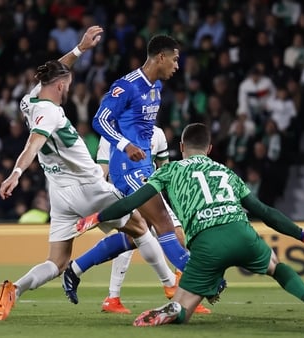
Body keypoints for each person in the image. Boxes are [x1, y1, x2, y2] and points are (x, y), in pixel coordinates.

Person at [76, 123, 304, 326]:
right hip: (241, 232)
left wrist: (97, 217)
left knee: (184, 305)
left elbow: (131, 203)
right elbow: (264, 211)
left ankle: (173, 310)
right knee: (275, 265)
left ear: (181, 148)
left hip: (206, 244)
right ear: (210, 149)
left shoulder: (170, 170)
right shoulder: (225, 171)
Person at [0, 26, 176, 321]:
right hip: (88, 187)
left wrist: (80, 49)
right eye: (68, 83)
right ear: (61, 86)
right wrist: (15, 173)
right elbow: (32, 143)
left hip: (60, 195)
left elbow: (55, 71)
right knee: (141, 227)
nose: (69, 87)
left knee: (57, 262)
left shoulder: (30, 100)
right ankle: (172, 287)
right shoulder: (51, 113)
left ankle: (14, 290)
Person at [62, 35, 210, 306]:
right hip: (127, 166)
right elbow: (100, 119)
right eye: (175, 59)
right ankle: (198, 277)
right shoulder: (127, 86)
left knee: (138, 233)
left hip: (143, 166)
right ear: (161, 57)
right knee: (164, 223)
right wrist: (125, 144)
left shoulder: (156, 88)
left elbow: (144, 131)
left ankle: (74, 269)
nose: (178, 66)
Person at [96, 125, 210, 314]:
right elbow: (102, 173)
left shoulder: (157, 133)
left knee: (178, 234)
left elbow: (165, 169)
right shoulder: (111, 135)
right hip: (122, 193)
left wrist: (176, 201)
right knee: (135, 237)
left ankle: (181, 290)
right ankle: (114, 297)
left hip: (150, 193)